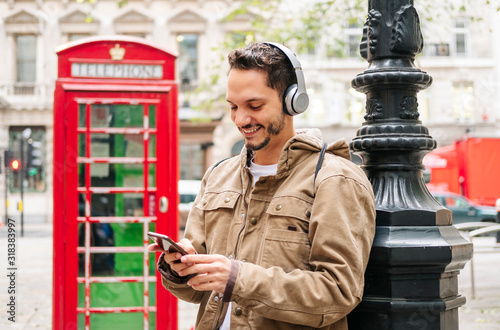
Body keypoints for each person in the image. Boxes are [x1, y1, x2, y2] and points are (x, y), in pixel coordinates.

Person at [149, 42, 376, 329]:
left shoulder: (334, 178)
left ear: (293, 100)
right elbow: (196, 291)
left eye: (254, 106)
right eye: (233, 106)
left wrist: (237, 278)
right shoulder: (218, 175)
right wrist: (180, 269)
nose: (241, 119)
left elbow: (339, 292)